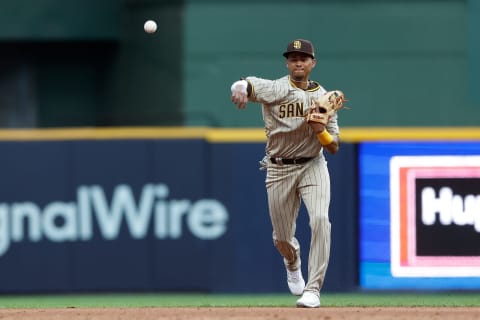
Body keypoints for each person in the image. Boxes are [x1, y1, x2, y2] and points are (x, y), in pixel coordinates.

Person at [230, 39, 341, 308]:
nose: (298, 62)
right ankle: (292, 261)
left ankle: (313, 289)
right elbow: (246, 84)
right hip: (279, 168)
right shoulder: (277, 88)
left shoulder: (324, 97)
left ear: (313, 63)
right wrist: (240, 88)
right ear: (287, 63)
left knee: (320, 220)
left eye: (303, 58)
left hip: (313, 165)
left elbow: (334, 146)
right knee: (281, 237)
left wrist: (320, 130)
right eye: (293, 58)